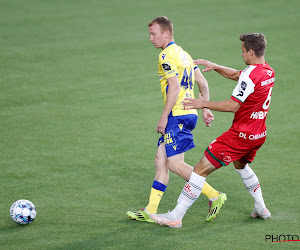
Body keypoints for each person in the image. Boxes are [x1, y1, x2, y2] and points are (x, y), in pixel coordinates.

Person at [150, 33, 274, 228]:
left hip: (239, 136)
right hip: (258, 134)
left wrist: (203, 104)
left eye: (243, 52)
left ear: (251, 51)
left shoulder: (251, 75)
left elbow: (233, 105)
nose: (241, 55)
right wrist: (215, 66)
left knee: (199, 170)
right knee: (241, 165)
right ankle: (261, 208)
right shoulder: (267, 72)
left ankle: (176, 216)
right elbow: (236, 75)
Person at [127, 16, 227, 223]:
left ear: (166, 33)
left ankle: (214, 195)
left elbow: (174, 87)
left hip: (177, 115)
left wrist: (164, 117)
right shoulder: (185, 55)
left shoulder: (166, 56)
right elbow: (203, 83)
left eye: (153, 34)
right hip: (188, 113)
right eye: (149, 35)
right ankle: (150, 210)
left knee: (175, 164)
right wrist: (205, 108)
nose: (150, 39)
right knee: (160, 161)